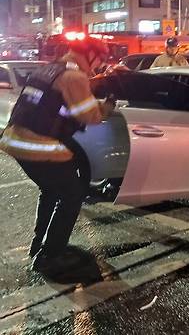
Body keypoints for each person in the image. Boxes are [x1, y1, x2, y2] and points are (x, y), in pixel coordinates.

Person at [0, 37, 115, 274]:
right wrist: (107, 106)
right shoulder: (75, 77)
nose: (99, 65)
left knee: (51, 190)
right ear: (91, 55)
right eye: (100, 59)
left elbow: (56, 104)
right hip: (38, 146)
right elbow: (89, 116)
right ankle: (51, 256)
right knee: (73, 194)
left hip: (15, 140)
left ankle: (39, 243)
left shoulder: (49, 69)